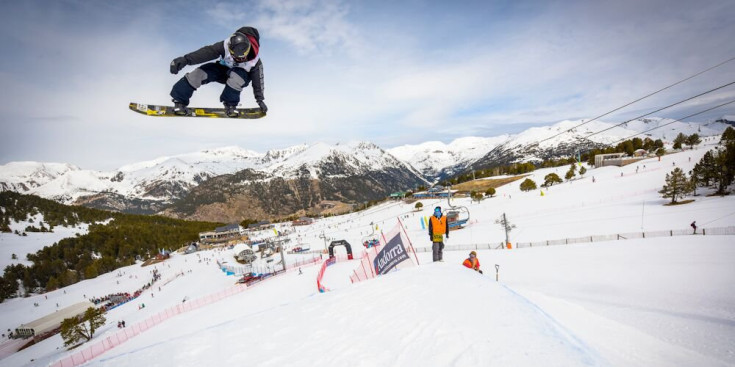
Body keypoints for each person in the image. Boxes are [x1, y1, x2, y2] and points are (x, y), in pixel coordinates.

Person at [169, 26, 266, 117]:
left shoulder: (255, 61)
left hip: (240, 76)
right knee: (199, 73)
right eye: (234, 56)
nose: (237, 59)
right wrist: (185, 60)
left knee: (237, 76)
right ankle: (179, 101)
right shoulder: (225, 45)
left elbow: (258, 81)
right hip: (222, 70)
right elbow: (206, 53)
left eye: (241, 57)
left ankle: (230, 105)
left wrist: (259, 99)